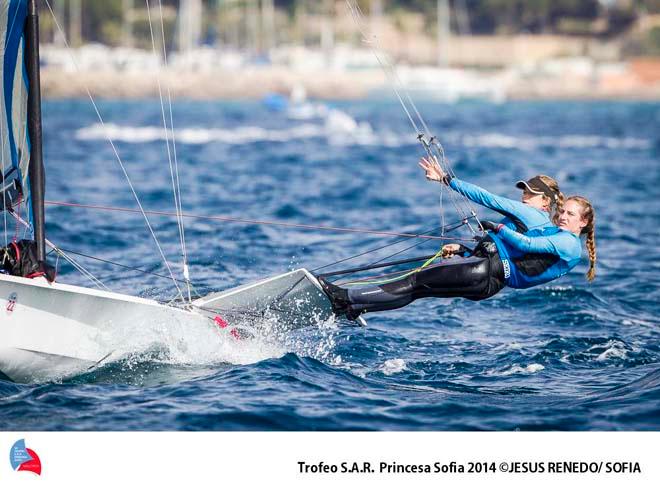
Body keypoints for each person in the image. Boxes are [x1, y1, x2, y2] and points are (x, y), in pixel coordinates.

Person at [320, 158, 596, 320]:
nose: (524, 197)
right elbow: (512, 256)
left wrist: (446, 179)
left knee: (413, 282)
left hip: (484, 272)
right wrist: (465, 252)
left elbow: (489, 199)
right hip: (488, 282)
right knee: (417, 291)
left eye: (531, 193)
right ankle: (355, 306)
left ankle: (343, 296)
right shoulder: (545, 229)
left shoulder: (535, 219)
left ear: (545, 202)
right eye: (524, 191)